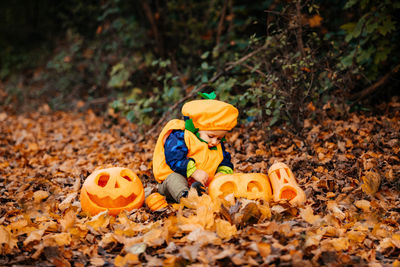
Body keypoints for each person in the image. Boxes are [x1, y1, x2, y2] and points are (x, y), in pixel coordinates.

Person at [152, 94, 239, 203]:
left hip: (203, 186)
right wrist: (194, 172)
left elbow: (224, 160)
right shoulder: (181, 136)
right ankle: (187, 198)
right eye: (211, 136)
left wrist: (222, 172)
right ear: (197, 128)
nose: (214, 141)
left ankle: (201, 194)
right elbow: (174, 158)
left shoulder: (216, 144)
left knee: (221, 183)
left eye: (219, 138)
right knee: (175, 179)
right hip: (172, 183)